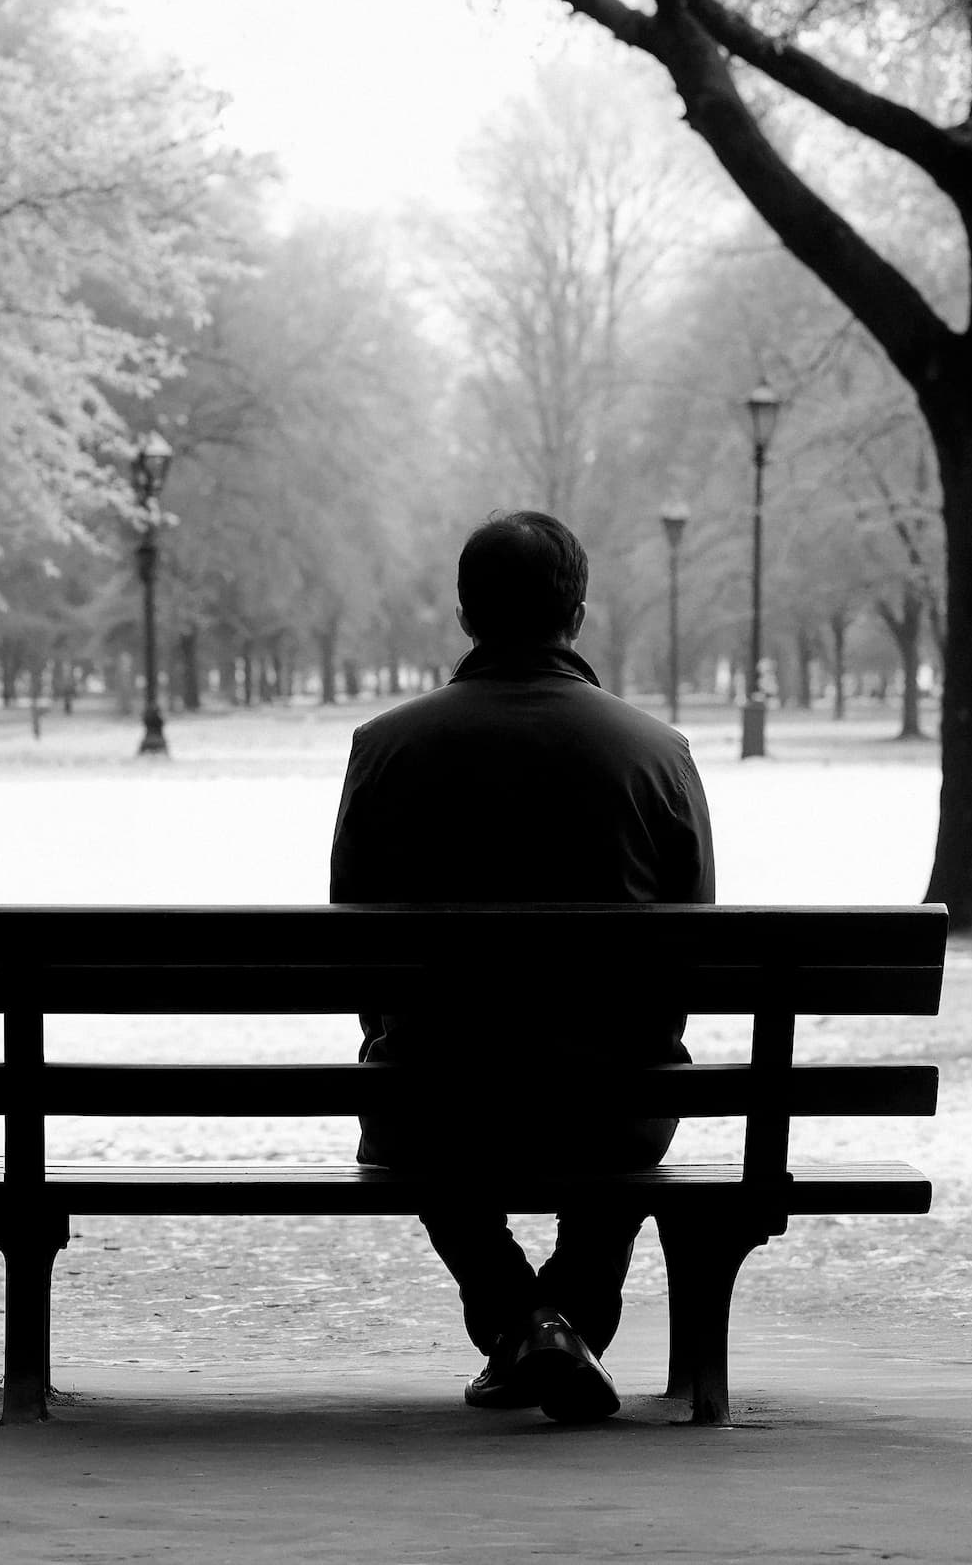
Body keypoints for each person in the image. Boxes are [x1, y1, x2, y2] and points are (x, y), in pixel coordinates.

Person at [329, 510, 716, 1422]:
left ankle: (520, 1321)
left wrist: (395, 1036)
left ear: (467, 613)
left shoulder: (386, 748)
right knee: (629, 1079)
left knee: (414, 1104)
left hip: (437, 1103)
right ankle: (565, 1321)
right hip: (613, 1108)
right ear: (576, 614)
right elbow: (690, 959)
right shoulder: (659, 754)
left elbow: (353, 952)